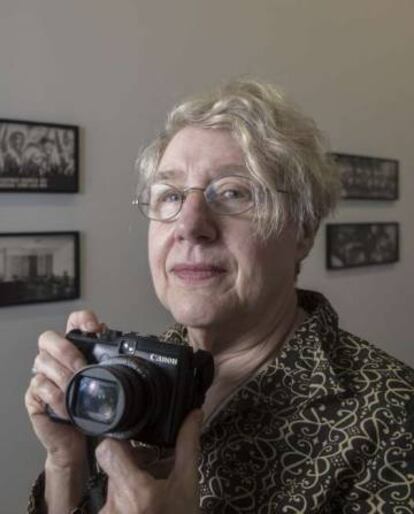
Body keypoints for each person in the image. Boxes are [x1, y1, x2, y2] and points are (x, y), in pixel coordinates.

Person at [26, 78, 414, 513]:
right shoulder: (130, 376)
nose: (189, 225)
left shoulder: (393, 420)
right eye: (170, 195)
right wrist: (66, 465)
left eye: (234, 193)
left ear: (302, 231)